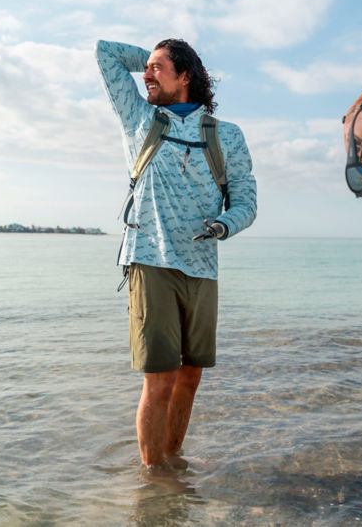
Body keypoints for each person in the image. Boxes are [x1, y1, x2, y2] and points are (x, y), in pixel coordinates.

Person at [96, 38, 257, 469]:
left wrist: (226, 225)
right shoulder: (138, 118)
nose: (146, 75)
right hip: (150, 261)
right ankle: (153, 482)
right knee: (159, 379)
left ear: (185, 76)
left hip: (203, 268)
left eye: (158, 68)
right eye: (145, 68)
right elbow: (104, 52)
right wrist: (152, 56)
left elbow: (246, 201)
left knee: (190, 376)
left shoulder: (227, 135)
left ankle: (173, 462)